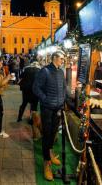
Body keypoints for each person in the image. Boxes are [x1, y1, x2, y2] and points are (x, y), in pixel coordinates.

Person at [33, 51, 66, 181]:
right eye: (61, 58)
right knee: (46, 135)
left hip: (57, 108)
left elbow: (63, 88)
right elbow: (36, 88)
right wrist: (45, 99)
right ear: (55, 58)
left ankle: (50, 153)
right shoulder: (45, 71)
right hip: (47, 108)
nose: (63, 61)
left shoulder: (61, 72)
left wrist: (63, 99)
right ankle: (46, 163)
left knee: (53, 133)